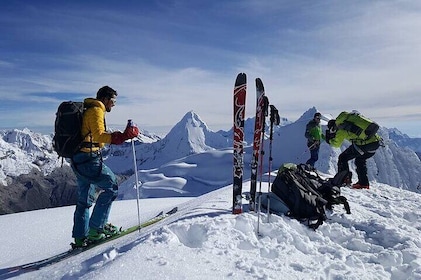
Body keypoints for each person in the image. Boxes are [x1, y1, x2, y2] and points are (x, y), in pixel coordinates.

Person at [71, 86, 139, 247]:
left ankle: (80, 237)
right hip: (89, 159)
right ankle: (96, 229)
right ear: (106, 99)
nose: (113, 105)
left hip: (77, 159)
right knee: (112, 186)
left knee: (84, 200)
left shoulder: (89, 109)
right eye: (113, 101)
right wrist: (123, 136)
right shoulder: (96, 110)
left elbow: (95, 134)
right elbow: (99, 135)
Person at [325, 111, 381, 189]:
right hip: (375, 143)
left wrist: (329, 140)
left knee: (343, 158)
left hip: (365, 144)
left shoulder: (341, 129)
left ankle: (344, 179)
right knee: (360, 160)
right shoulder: (349, 121)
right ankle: (363, 183)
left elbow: (336, 144)